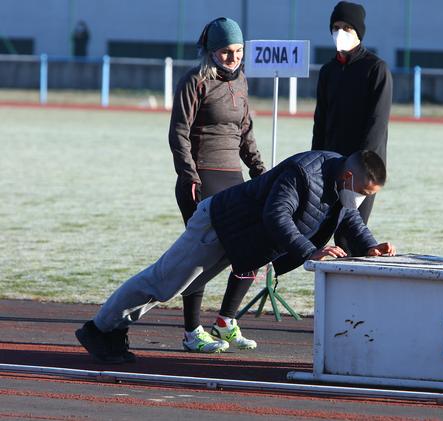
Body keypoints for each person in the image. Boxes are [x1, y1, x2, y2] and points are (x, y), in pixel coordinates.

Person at [75, 149, 396, 364]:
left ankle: (113, 331)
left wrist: (370, 245)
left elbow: (348, 217)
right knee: (162, 281)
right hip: (219, 223)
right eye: (363, 192)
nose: (361, 199)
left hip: (238, 238)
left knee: (169, 287)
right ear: (349, 178)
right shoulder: (303, 172)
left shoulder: (341, 183)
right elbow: (276, 216)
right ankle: (99, 329)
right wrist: (310, 250)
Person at [168, 17, 267, 354]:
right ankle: (192, 331)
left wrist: (260, 172)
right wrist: (189, 174)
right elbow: (179, 133)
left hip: (233, 179)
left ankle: (225, 321)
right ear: (211, 51)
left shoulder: (241, 83)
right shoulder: (194, 82)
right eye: (226, 52)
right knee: (202, 255)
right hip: (201, 179)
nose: (233, 58)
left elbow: (246, 133)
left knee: (253, 248)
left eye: (238, 51)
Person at [312, 1, 393, 256]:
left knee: (352, 236)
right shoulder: (328, 71)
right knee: (324, 234)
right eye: (336, 27)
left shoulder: (376, 69)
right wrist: (315, 163)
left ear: (359, 31)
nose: (341, 32)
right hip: (330, 167)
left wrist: (359, 168)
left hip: (361, 170)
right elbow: (320, 122)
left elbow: (376, 125)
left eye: (347, 27)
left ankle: (355, 291)